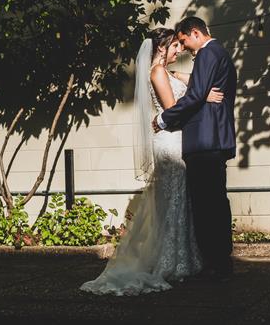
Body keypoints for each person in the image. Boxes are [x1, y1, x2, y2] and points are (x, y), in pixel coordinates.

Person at [81, 28, 224, 295]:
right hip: (170, 143)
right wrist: (203, 97)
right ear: (161, 48)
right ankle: (172, 261)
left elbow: (190, 84)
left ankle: (184, 257)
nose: (179, 50)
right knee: (175, 201)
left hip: (177, 140)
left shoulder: (166, 72)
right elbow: (172, 110)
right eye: (174, 46)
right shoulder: (157, 72)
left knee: (180, 200)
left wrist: (193, 85)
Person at [152, 16, 237, 281]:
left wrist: (163, 119)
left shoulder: (207, 54)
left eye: (184, 41)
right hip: (212, 139)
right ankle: (219, 260)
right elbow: (200, 90)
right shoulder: (217, 52)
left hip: (205, 141)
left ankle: (216, 262)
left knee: (207, 206)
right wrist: (192, 85)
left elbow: (196, 94)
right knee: (213, 202)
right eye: (177, 44)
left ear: (196, 33)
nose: (184, 48)